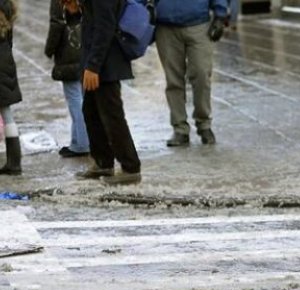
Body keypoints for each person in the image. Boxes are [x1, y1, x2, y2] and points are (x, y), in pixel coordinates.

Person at [77, 0, 142, 185]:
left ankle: (131, 167)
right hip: (97, 58)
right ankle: (103, 162)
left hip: (106, 61)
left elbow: (105, 24)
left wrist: (93, 66)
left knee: (112, 116)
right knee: (91, 112)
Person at [152, 0, 229, 147]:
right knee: (173, 80)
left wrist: (220, 15)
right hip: (166, 27)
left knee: (201, 74)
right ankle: (180, 128)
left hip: (199, 26)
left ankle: (204, 124)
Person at [45, 0, 90, 158]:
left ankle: (82, 143)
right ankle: (78, 141)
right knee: (83, 98)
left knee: (74, 99)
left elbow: (57, 24)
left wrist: (49, 49)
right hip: (85, 46)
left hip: (68, 49)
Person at [0, 0, 22, 176]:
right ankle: (14, 162)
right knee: (6, 112)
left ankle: (13, 164)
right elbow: (10, 39)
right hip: (5, 57)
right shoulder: (7, 6)